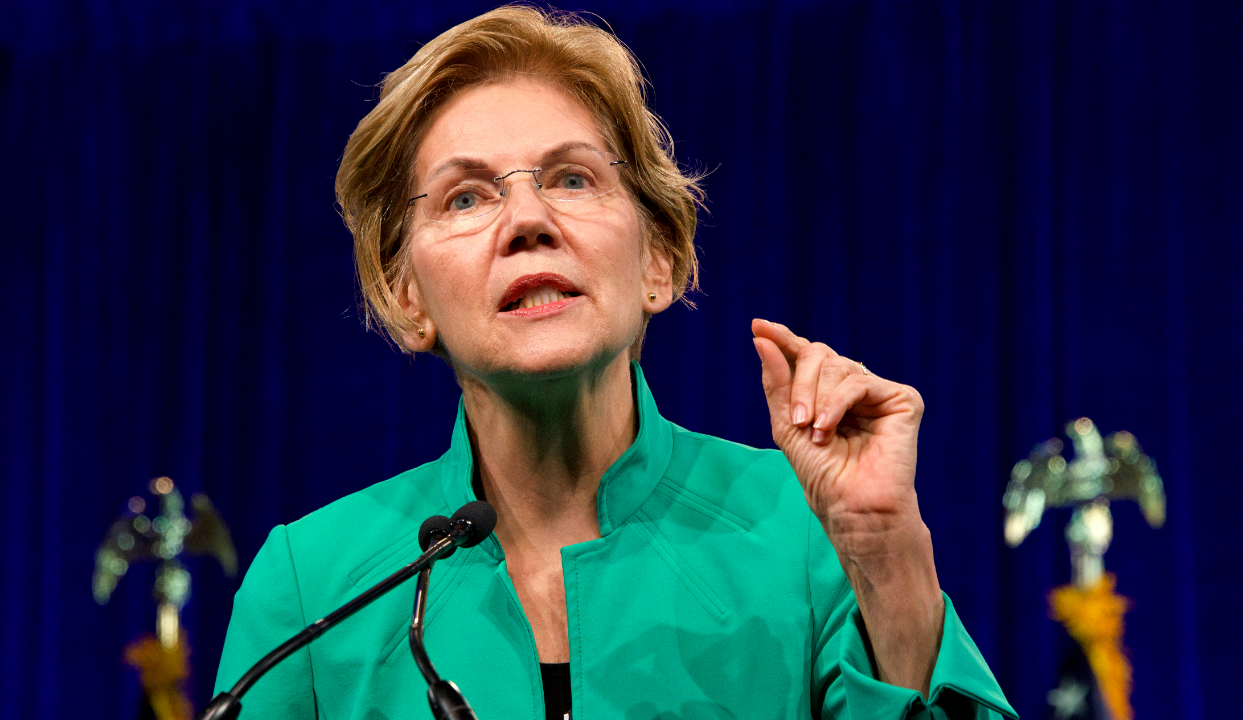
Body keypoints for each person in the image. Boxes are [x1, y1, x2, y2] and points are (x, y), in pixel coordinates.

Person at [213, 6, 1016, 719]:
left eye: (573, 178)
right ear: (409, 299)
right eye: (466, 197)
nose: (527, 219)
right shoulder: (314, 588)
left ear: (657, 261)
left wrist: (884, 553)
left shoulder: (806, 533)